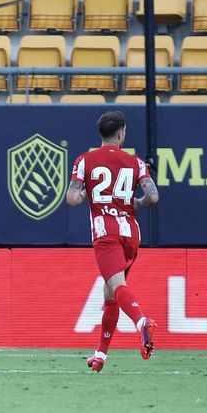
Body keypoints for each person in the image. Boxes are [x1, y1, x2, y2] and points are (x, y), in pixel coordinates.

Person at [66, 112, 161, 372]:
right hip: (130, 233)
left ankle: (141, 322)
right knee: (111, 293)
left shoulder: (85, 160)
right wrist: (137, 203)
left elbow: (72, 198)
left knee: (116, 286)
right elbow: (152, 197)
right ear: (121, 134)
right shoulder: (135, 162)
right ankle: (100, 355)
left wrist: (90, 191)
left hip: (105, 232)